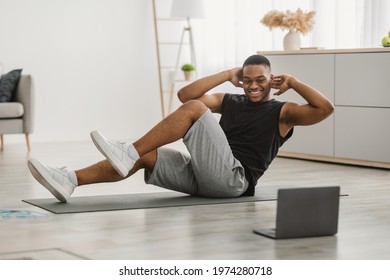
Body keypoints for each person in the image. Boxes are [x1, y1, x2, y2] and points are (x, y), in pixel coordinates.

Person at [27, 55, 334, 203]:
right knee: (148, 156)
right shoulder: (230, 100)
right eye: (247, 79)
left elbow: (325, 109)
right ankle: (69, 180)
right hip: (203, 176)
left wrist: (293, 82)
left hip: (234, 180)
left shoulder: (283, 112)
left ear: (271, 79)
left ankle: (127, 150)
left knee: (196, 111)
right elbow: (185, 95)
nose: (253, 85)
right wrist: (226, 73)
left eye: (260, 80)